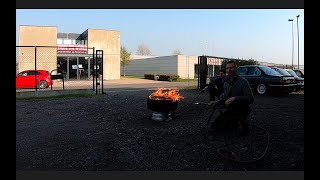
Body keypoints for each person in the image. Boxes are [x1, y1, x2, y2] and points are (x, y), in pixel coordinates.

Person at [208, 60, 254, 136]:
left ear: (236, 68)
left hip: (242, 109)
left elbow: (251, 99)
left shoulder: (243, 82)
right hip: (231, 109)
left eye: (231, 68)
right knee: (215, 127)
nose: (229, 70)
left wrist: (235, 98)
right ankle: (233, 122)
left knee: (241, 132)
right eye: (227, 68)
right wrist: (217, 102)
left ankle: (241, 120)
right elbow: (225, 98)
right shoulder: (226, 82)